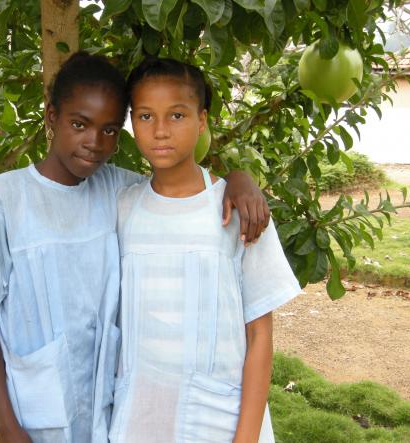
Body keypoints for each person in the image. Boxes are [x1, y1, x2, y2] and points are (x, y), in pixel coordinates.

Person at [0, 52, 270, 443]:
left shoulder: (116, 188)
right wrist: (5, 426)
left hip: (108, 406)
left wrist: (239, 179)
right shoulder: (0, 199)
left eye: (109, 130)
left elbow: (177, 188)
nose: (93, 143)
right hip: (29, 409)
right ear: (51, 116)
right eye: (79, 124)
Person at [108, 58, 301, 443]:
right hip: (140, 417)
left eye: (176, 115)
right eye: (145, 116)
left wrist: (245, 437)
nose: (160, 131)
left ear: (202, 120)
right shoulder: (122, 207)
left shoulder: (238, 212)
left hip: (221, 419)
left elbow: (259, 334)